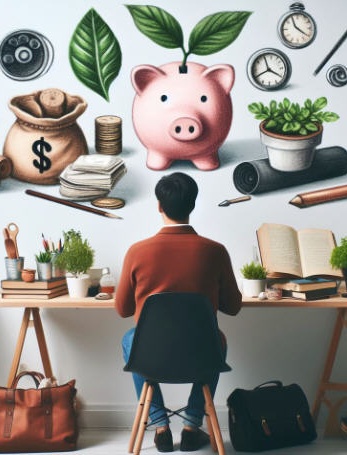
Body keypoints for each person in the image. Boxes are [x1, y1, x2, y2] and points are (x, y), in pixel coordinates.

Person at [115, 172, 241, 452]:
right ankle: (192, 425)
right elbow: (233, 307)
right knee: (217, 339)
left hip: (151, 355)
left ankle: (159, 424)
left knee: (131, 339)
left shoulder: (137, 252)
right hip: (201, 352)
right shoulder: (215, 251)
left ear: (159, 205)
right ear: (193, 205)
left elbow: (123, 309)